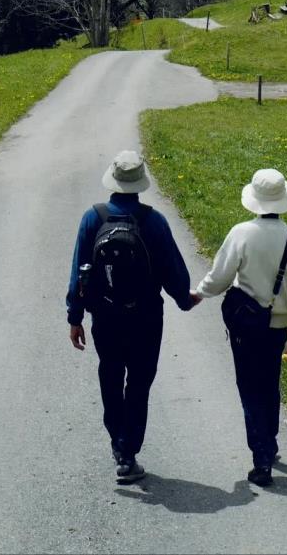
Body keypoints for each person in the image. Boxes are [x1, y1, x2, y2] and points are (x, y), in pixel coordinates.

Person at [67, 148, 197, 483]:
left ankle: (117, 441)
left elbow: (78, 272)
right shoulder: (153, 221)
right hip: (146, 319)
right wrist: (185, 299)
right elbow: (174, 274)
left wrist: (75, 317)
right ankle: (129, 451)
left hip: (106, 317)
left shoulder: (92, 218)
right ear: (140, 184)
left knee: (110, 375)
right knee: (139, 383)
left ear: (112, 180)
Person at [193, 166, 287, 487]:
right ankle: (268, 444)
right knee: (269, 384)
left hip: (246, 324)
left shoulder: (241, 233)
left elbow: (219, 277)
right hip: (278, 326)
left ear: (254, 201)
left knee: (249, 388)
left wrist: (198, 293)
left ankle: (261, 459)